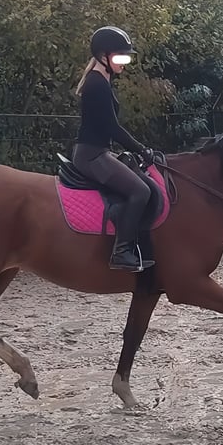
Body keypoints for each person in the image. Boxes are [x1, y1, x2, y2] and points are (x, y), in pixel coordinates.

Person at [72, 26, 156, 272]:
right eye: (119, 57)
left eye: (126, 57)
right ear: (103, 56)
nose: (124, 63)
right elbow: (111, 127)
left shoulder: (102, 80)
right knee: (140, 191)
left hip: (99, 151)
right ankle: (121, 252)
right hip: (92, 155)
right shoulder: (97, 84)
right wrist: (141, 149)